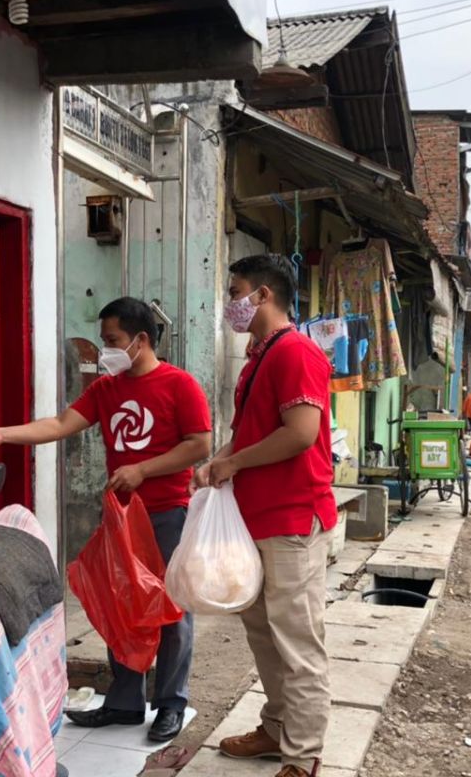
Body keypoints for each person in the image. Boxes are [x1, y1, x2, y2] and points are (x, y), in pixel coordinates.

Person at [0, 297, 211, 743]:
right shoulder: (107, 390)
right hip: (121, 515)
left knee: (170, 608)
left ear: (141, 341)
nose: (105, 350)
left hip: (166, 514)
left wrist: (144, 469)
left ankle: (170, 704)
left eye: (112, 341)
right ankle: (125, 701)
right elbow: (61, 423)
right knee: (121, 606)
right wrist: (2, 435)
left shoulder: (179, 385)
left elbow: (200, 445)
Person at [197, 254, 337, 777]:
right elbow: (254, 431)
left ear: (262, 296)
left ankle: (303, 758)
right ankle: (277, 729)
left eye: (235, 290)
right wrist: (221, 463)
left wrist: (233, 461)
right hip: (257, 517)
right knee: (263, 633)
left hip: (293, 518)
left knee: (297, 642)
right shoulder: (261, 355)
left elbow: (300, 433)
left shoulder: (295, 352)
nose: (230, 302)